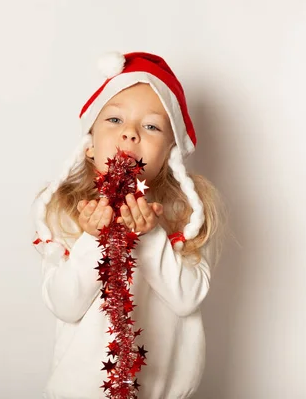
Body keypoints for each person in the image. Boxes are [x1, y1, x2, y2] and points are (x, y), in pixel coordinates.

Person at [30, 51, 226, 399]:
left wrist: (151, 236)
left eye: (151, 126)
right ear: (89, 145)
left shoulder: (185, 214)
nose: (130, 134)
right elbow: (64, 304)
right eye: (115, 120)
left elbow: (186, 298)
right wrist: (92, 239)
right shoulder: (64, 210)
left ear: (170, 151)